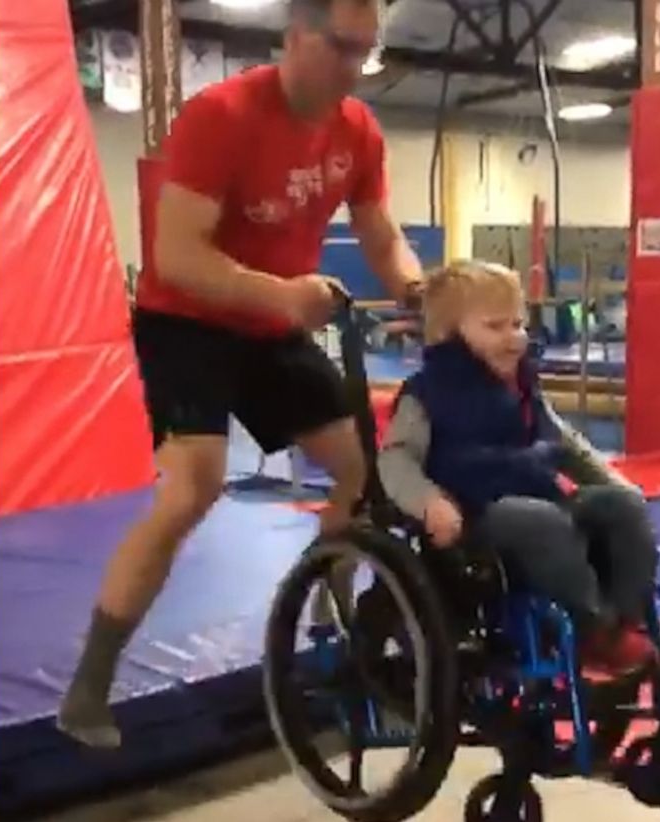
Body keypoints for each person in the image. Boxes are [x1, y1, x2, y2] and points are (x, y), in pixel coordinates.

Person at [57, 0, 426, 749]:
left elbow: (381, 233)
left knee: (365, 468)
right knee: (194, 486)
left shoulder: (358, 129)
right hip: (188, 322)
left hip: (271, 326)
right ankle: (88, 687)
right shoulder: (221, 116)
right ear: (294, 38)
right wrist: (285, 294)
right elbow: (177, 258)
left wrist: (420, 291)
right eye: (341, 47)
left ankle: (332, 608)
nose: (354, 67)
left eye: (366, 51)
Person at [377, 261, 659, 676]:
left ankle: (624, 622)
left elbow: (564, 444)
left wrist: (615, 484)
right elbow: (396, 459)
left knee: (622, 508)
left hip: (540, 500)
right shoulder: (427, 394)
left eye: (518, 324)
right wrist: (429, 503)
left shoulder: (523, 385)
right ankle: (594, 630)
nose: (514, 338)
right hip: (473, 517)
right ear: (450, 334)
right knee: (539, 520)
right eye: (495, 326)